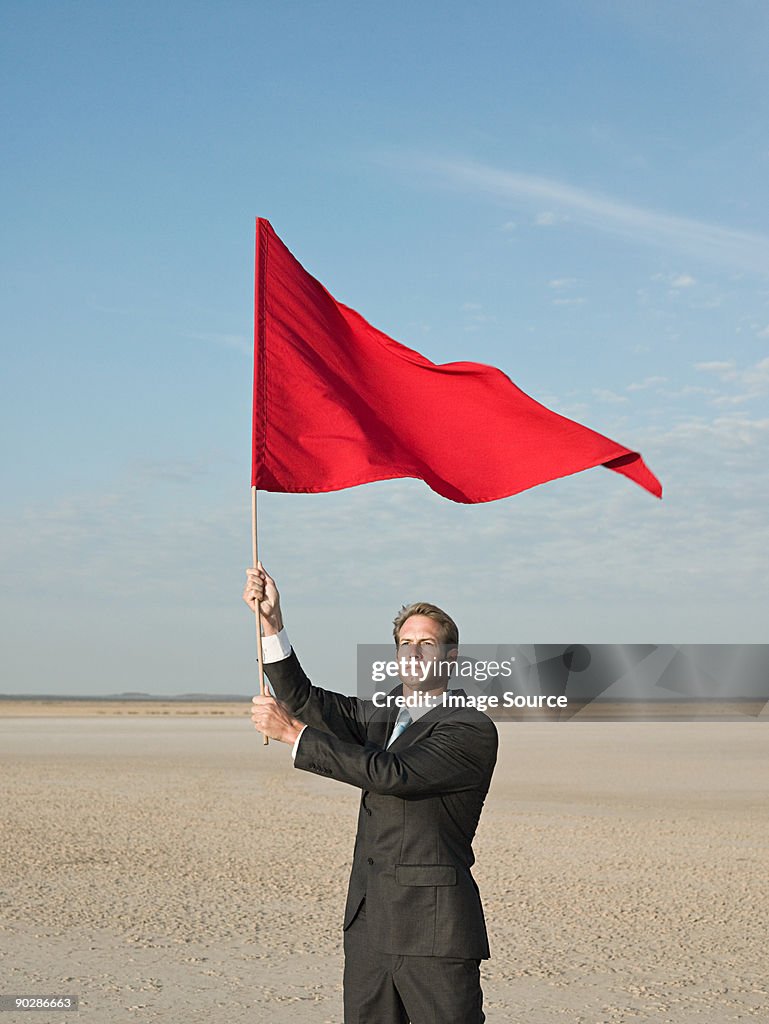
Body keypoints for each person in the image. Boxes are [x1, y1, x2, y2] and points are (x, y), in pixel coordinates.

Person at [243, 564, 498, 1024]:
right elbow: (305, 700)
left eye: (427, 644)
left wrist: (295, 736)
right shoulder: (378, 716)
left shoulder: (470, 728)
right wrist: (271, 623)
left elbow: (392, 773)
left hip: (433, 933)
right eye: (405, 644)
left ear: (452, 656)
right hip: (369, 930)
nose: (414, 653)